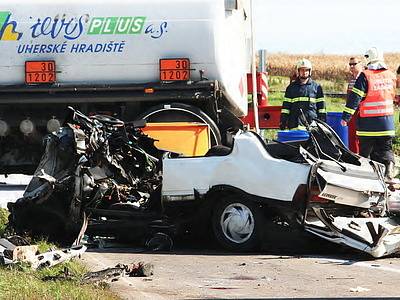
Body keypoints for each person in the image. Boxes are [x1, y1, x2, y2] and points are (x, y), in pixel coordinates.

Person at [341, 47, 397, 179]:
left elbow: (355, 98)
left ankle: (367, 178)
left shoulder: (365, 76)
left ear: (368, 59)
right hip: (387, 125)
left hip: (368, 126)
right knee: (385, 150)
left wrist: (346, 117)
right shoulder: (391, 75)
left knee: (365, 154)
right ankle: (388, 168)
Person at [280, 58, 326, 130]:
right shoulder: (291, 88)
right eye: (302, 70)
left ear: (310, 71)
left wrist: (322, 123)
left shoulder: (317, 88)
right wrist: (283, 122)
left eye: (306, 70)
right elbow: (286, 108)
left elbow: (322, 108)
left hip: (312, 126)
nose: (304, 72)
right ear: (298, 71)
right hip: (294, 125)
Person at [346, 57, 363, 153]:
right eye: (350, 64)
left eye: (354, 64)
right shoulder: (352, 79)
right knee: (352, 138)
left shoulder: (363, 77)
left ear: (360, 64)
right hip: (351, 113)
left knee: (360, 138)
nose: (352, 66)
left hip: (361, 112)